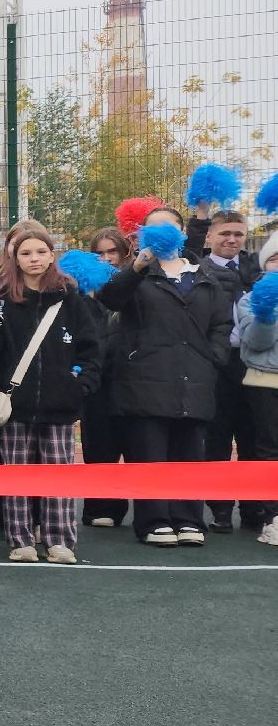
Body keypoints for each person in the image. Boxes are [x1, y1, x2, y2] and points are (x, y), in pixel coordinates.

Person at [98, 214, 235, 546]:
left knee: (191, 454)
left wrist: (214, 356)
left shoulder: (204, 275)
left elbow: (221, 324)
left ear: (183, 232)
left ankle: (189, 519)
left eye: (170, 226)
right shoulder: (137, 274)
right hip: (145, 379)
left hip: (196, 379)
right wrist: (140, 263)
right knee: (150, 452)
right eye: (153, 226)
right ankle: (154, 520)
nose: (163, 231)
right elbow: (110, 297)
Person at [0, 225, 103, 563]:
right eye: (26, 253)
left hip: (61, 406)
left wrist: (80, 385)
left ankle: (60, 539)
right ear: (14, 258)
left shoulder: (70, 298)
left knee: (58, 474)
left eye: (40, 252)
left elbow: (91, 348)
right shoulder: (1, 300)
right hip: (15, 406)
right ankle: (20, 539)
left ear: (51, 256)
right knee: (16, 474)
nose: (34, 259)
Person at [187, 210, 259, 532]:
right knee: (215, 438)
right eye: (225, 233)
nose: (231, 240)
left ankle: (254, 507)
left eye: (238, 234)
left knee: (253, 437)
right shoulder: (195, 269)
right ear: (210, 237)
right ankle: (219, 509)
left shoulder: (254, 269)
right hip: (213, 363)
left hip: (251, 362)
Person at [81, 229, 133, 529]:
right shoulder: (83, 291)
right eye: (98, 253)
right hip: (97, 379)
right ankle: (100, 507)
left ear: (124, 254)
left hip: (131, 377)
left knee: (135, 444)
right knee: (98, 445)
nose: (105, 259)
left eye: (111, 252)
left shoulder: (135, 283)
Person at [234, 233, 278, 545]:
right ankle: (273, 517)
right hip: (264, 382)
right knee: (269, 450)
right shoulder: (250, 299)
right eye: (276, 259)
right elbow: (258, 343)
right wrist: (268, 311)